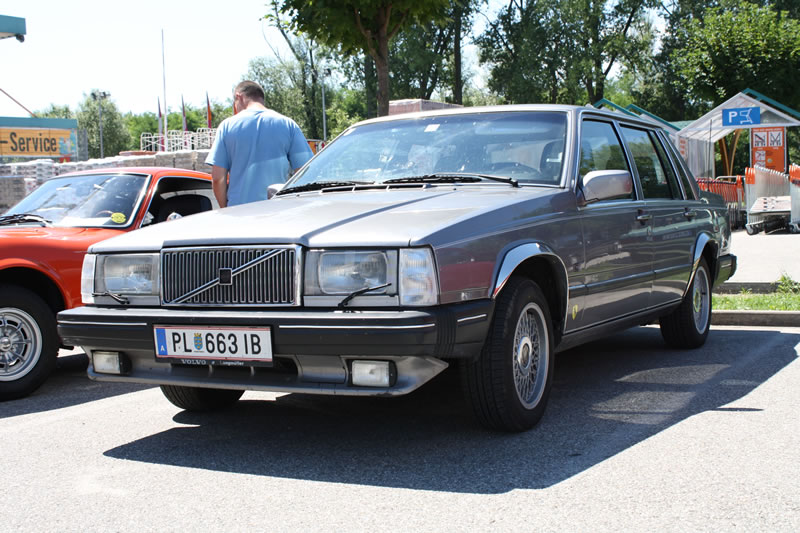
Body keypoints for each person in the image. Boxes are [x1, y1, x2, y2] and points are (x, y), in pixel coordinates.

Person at [206, 80, 313, 207]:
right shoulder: (288, 124)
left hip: (239, 211)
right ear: (261, 98)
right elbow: (305, 170)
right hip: (276, 208)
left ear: (239, 97)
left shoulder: (226, 127)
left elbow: (218, 179)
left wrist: (225, 208)